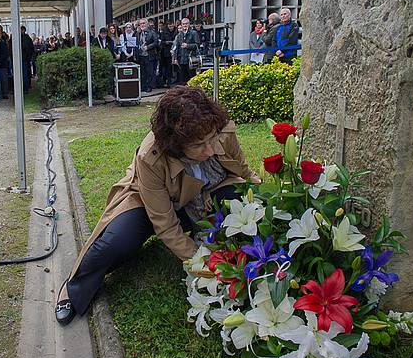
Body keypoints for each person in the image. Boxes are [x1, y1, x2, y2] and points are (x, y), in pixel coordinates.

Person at [55, 86, 260, 325]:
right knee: (117, 242)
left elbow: (242, 171)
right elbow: (166, 226)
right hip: (152, 201)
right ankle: (74, 287)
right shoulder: (150, 156)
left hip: (205, 192)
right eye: (198, 145)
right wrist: (204, 262)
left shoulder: (220, 129)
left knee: (237, 201)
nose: (209, 150)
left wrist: (265, 197)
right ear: (175, 143)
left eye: (211, 139)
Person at [172, 18, 199, 85]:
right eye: (183, 24)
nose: (185, 25)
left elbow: (197, 45)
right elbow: (176, 47)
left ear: (189, 24)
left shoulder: (194, 33)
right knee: (182, 78)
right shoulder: (179, 35)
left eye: (186, 23)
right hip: (181, 59)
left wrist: (187, 46)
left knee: (192, 77)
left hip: (191, 59)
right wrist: (175, 58)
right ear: (181, 25)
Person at [135, 18, 159, 93]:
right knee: (142, 72)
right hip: (141, 55)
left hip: (149, 55)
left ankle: (149, 86)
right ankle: (143, 86)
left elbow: (156, 42)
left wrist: (148, 47)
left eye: (143, 23)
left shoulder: (152, 32)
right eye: (141, 24)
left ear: (147, 24)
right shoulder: (138, 33)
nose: (142, 25)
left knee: (150, 72)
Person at [0, 25, 10, 100]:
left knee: (4, 79)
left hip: (2, 64)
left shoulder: (3, 43)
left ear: (1, 34)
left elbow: (5, 54)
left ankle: (5, 93)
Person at [157, 20, 174, 87]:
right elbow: (162, 42)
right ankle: (165, 81)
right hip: (165, 52)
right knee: (165, 68)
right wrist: (167, 42)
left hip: (172, 51)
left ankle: (169, 81)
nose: (171, 28)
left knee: (170, 68)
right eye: (170, 26)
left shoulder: (175, 31)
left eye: (172, 26)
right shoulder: (164, 32)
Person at [19, 26, 35, 94]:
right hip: (24, 58)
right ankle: (25, 87)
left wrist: (29, 56)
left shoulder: (26, 38)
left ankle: (25, 88)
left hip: (24, 58)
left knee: (25, 74)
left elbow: (30, 48)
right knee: (24, 74)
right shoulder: (26, 38)